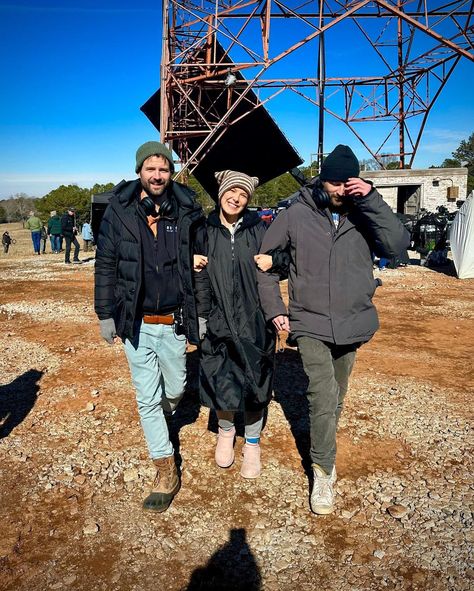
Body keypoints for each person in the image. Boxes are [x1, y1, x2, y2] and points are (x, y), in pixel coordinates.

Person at [257, 144, 409, 515]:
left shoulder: (365, 214)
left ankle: (324, 439)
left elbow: (398, 244)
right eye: (334, 182)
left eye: (347, 183)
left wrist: (371, 200)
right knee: (322, 396)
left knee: (336, 396)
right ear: (322, 181)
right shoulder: (294, 215)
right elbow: (262, 266)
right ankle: (323, 471)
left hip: (352, 321)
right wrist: (277, 311)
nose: (340, 190)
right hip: (309, 321)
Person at [94, 141, 205, 513]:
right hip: (136, 322)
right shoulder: (119, 211)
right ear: (139, 171)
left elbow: (200, 266)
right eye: (150, 169)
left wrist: (200, 313)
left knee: (175, 389)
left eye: (163, 169)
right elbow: (106, 264)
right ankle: (164, 467)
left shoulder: (187, 210)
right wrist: (105, 313)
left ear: (170, 173)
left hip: (174, 321)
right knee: (146, 397)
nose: (157, 176)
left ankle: (163, 414)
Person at [194, 170, 282, 480]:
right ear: (220, 194)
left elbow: (283, 259)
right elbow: (192, 270)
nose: (237, 198)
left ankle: (253, 445)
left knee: (256, 385)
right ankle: (226, 432)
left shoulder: (261, 228)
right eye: (232, 192)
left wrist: (275, 261)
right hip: (217, 317)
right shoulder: (204, 229)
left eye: (243, 195)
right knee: (221, 379)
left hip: (254, 319)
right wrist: (201, 313)